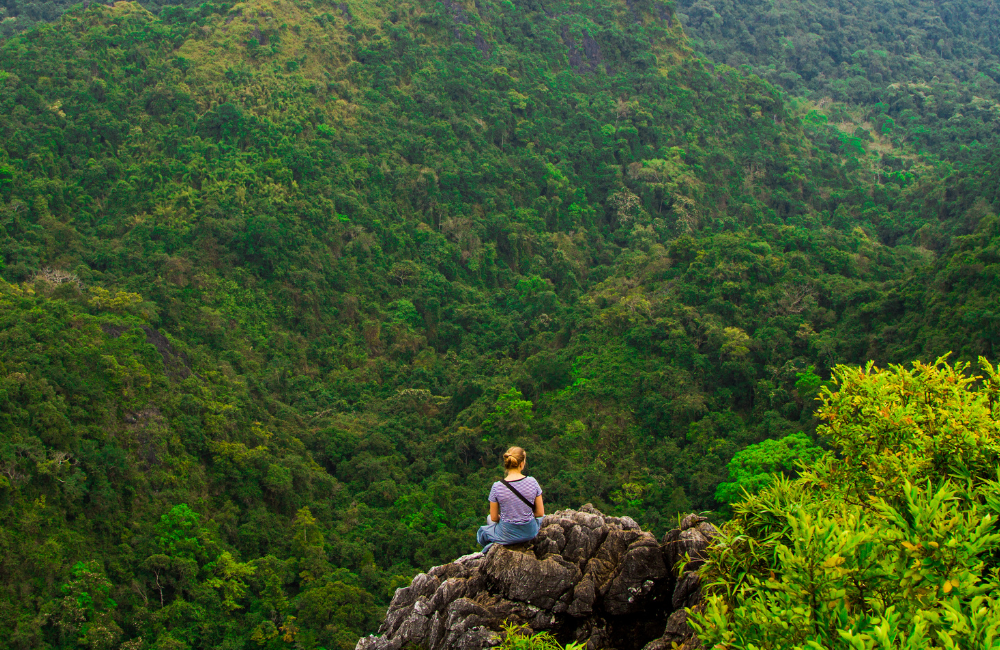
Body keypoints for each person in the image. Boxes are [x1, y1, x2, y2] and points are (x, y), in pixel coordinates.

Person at [476, 446, 544, 554]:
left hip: (507, 534)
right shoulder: (532, 482)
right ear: (521, 464)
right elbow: (540, 513)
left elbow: (494, 517)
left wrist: (509, 519)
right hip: (529, 532)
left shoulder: (497, 486)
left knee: (488, 521)